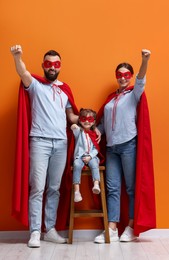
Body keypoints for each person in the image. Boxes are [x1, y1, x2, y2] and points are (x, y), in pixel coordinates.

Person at [10, 45, 79, 248]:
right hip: (39, 141)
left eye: (55, 64)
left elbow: (71, 116)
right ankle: (34, 232)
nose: (52, 67)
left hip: (61, 143)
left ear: (60, 66)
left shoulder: (65, 89)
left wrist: (87, 121)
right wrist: (17, 57)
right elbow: (22, 72)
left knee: (55, 188)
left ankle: (49, 230)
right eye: (48, 64)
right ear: (43, 65)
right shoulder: (36, 85)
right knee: (37, 187)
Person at [94, 49, 156, 243]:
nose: (122, 78)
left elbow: (141, 79)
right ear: (116, 76)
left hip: (129, 145)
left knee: (130, 188)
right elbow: (104, 122)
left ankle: (130, 226)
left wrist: (144, 60)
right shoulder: (111, 99)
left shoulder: (133, 94)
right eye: (119, 75)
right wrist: (98, 130)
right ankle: (112, 227)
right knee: (112, 188)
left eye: (126, 75)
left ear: (130, 77)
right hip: (112, 148)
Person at [71, 108, 103, 202]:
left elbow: (96, 149)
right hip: (80, 157)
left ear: (93, 122)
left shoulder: (94, 134)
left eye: (90, 120)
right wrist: (74, 126)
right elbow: (75, 129)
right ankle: (77, 191)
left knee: (94, 164)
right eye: (84, 119)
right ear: (80, 120)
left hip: (91, 156)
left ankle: (96, 184)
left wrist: (90, 156)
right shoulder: (79, 132)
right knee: (76, 164)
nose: (87, 122)